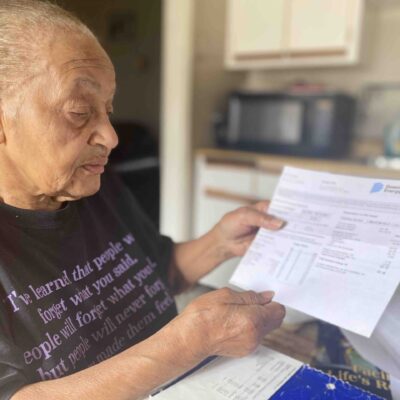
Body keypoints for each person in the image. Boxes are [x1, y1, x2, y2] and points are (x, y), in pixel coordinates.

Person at [0, 1, 286, 399]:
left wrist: (222, 242)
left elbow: (157, 273)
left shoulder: (97, 186)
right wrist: (188, 343)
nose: (111, 137)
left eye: (108, 110)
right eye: (80, 111)